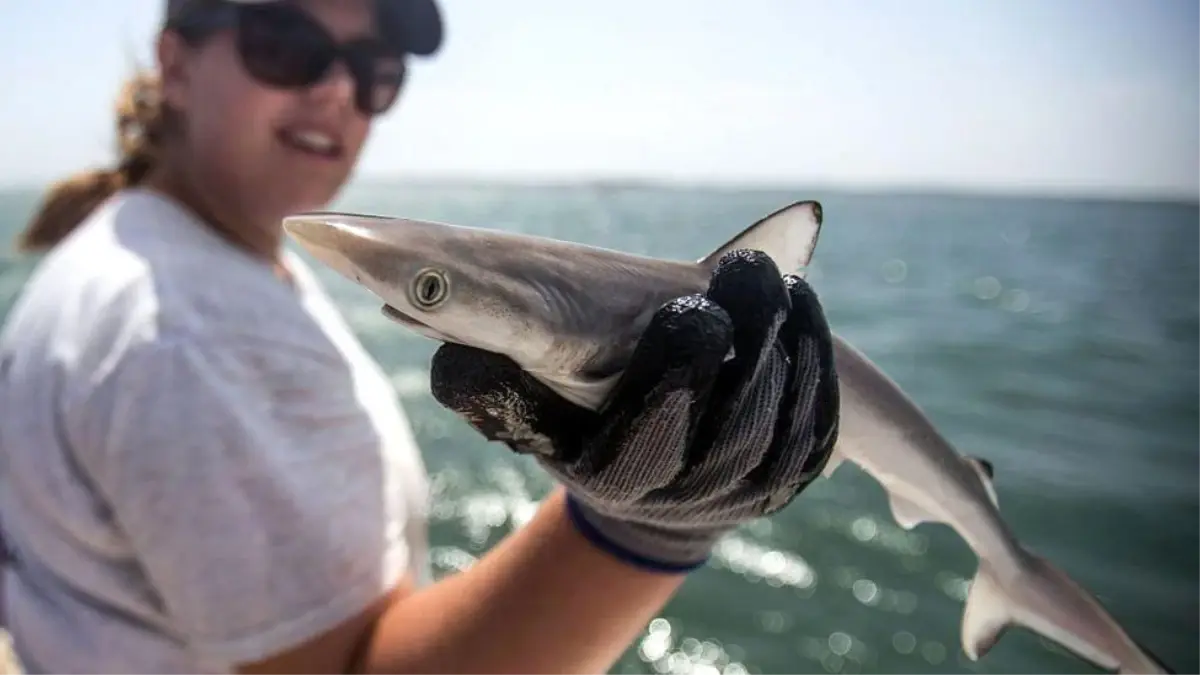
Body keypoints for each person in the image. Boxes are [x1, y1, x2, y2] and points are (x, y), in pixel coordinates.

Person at [0, 0, 841, 673]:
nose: (337, 91)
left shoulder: (142, 243)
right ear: (175, 65)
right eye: (285, 44)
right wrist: (649, 527)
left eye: (374, 70)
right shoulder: (194, 337)